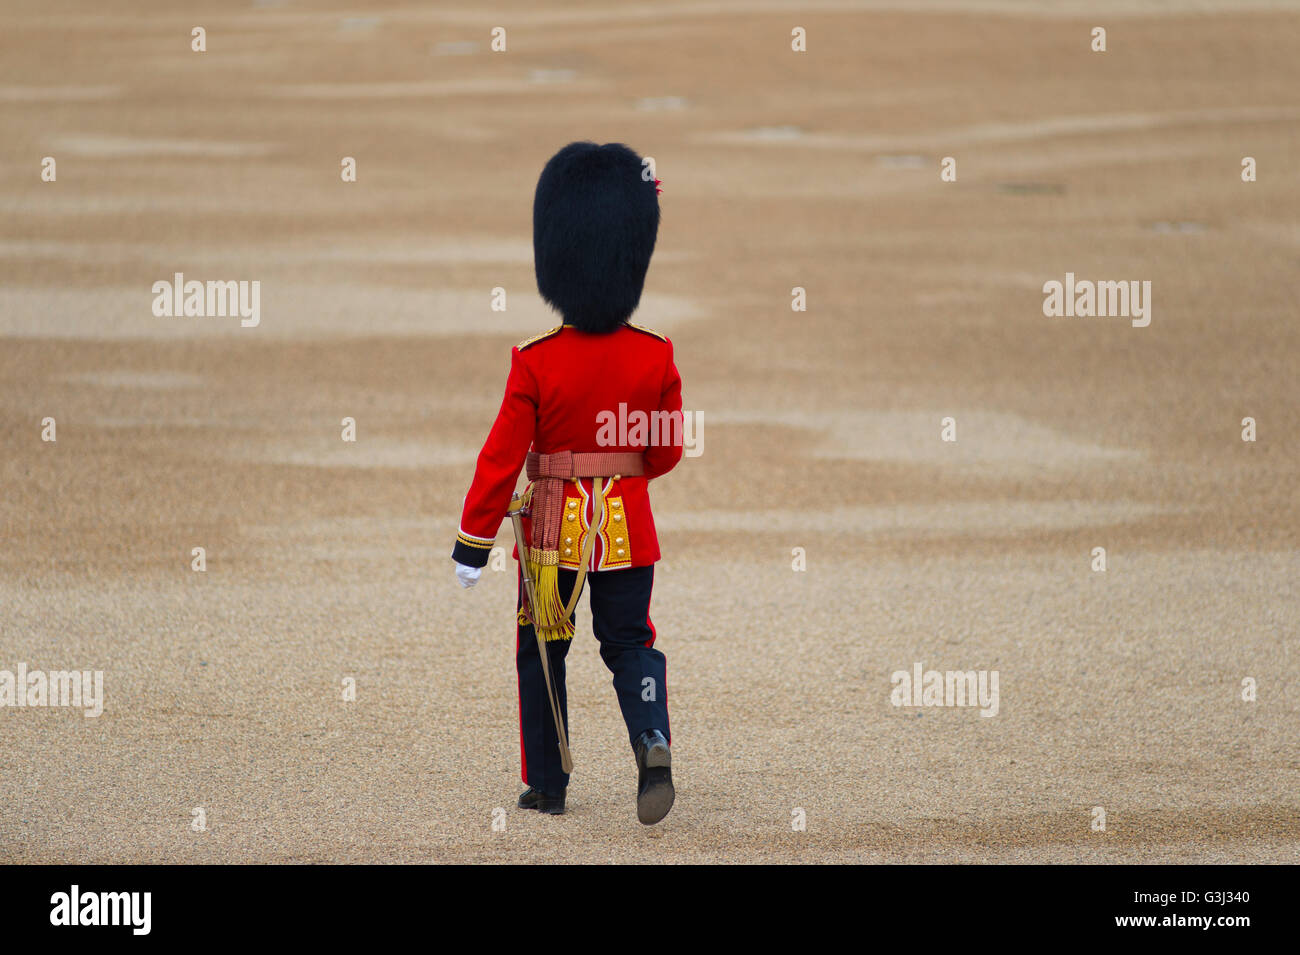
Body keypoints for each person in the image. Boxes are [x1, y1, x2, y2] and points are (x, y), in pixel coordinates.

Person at [451, 142, 684, 825]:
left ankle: (548, 785)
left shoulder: (536, 362)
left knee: (543, 649)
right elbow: (665, 453)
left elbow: (501, 455)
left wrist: (473, 540)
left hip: (551, 529)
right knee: (630, 641)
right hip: (626, 527)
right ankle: (651, 738)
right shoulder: (655, 354)